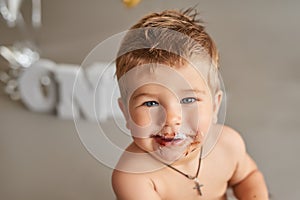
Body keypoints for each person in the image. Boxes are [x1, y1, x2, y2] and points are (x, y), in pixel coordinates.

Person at [112, 8, 269, 200]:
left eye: (188, 100)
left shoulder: (228, 144)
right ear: (126, 114)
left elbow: (248, 177)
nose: (171, 119)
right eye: (151, 103)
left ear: (214, 106)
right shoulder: (133, 177)